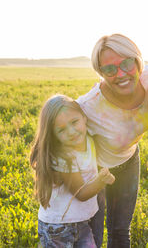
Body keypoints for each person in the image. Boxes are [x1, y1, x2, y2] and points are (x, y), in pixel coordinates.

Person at [76, 34, 148, 248]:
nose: (121, 74)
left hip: (128, 160)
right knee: (93, 234)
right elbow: (56, 126)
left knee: (120, 230)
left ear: (138, 61)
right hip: (95, 169)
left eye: (127, 63)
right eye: (109, 69)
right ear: (100, 73)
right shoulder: (88, 105)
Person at [29, 94, 115, 248]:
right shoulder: (63, 157)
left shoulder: (89, 141)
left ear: (84, 117)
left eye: (74, 122)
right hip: (58, 227)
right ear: (53, 134)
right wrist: (101, 181)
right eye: (61, 130)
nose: (71, 131)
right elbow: (81, 193)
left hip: (81, 221)